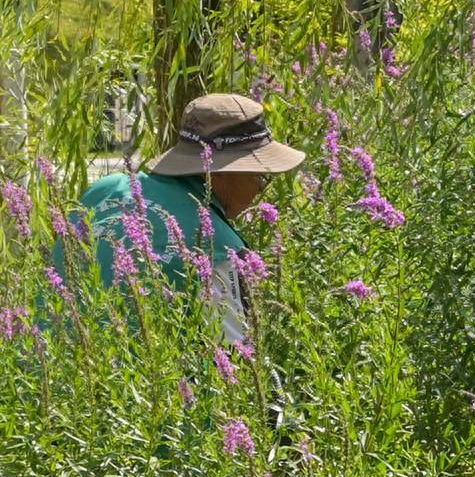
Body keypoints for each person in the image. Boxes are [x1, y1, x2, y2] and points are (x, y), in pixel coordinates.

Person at [79, 92, 307, 344]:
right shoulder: (220, 249)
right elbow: (235, 362)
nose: (262, 189)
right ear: (219, 173)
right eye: (260, 176)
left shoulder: (101, 192)